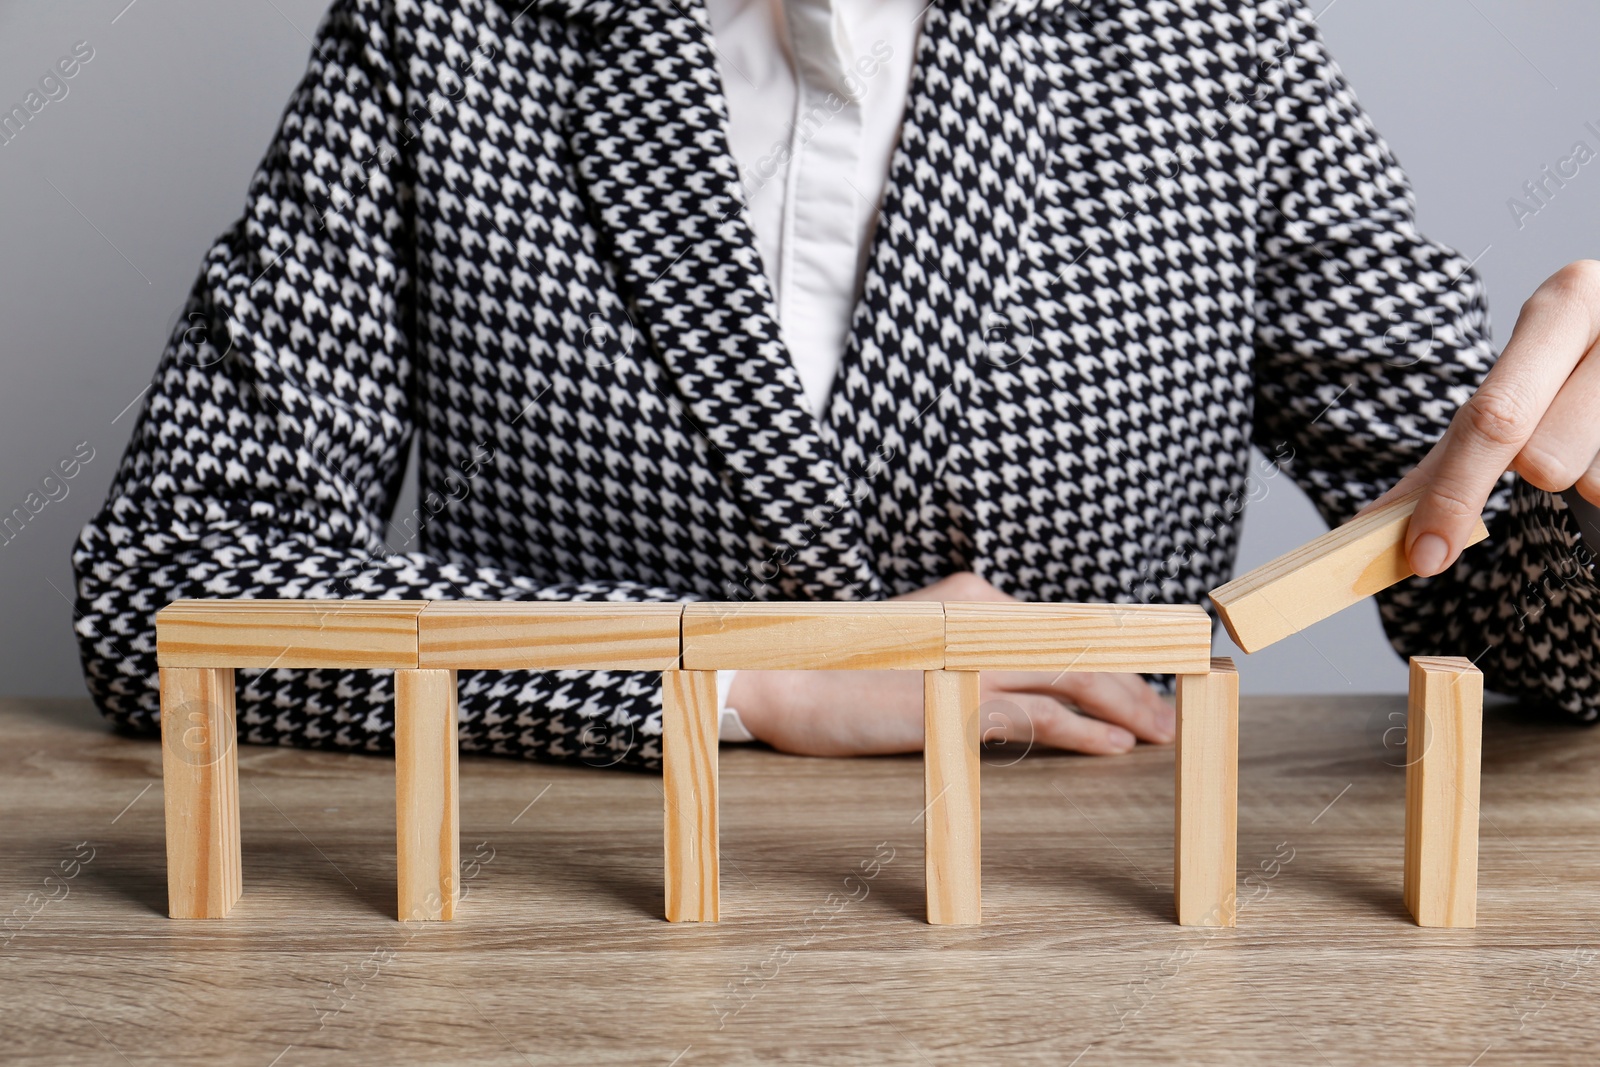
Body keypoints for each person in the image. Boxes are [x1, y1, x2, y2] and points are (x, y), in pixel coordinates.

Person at [71, 0, 1599, 770]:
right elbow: (165, 598)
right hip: (558, 933)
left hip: (1099, 946)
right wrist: (743, 675)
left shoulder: (1208, 37)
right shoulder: (442, 29)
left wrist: (1576, 491)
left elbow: (1486, 584)